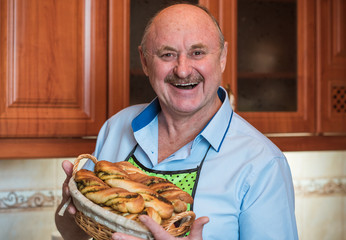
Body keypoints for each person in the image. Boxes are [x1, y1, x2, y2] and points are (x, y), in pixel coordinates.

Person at [55, 3, 299, 240]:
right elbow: (76, 233)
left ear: (222, 57)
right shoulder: (116, 128)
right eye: (167, 54)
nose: (182, 70)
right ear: (144, 61)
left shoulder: (262, 164)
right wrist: (73, 206)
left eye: (197, 53)